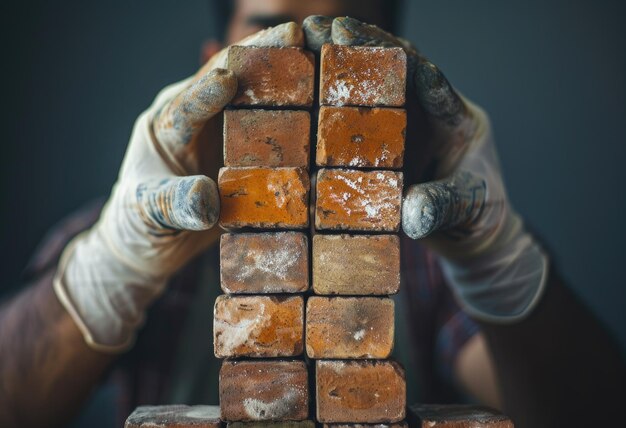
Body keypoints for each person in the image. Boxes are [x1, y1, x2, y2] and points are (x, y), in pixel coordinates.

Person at [0, 1, 624, 427]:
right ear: (211, 62)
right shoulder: (124, 226)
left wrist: (498, 261)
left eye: (337, 49)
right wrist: (110, 268)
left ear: (391, 76)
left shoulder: (429, 244)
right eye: (267, 41)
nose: (303, 74)